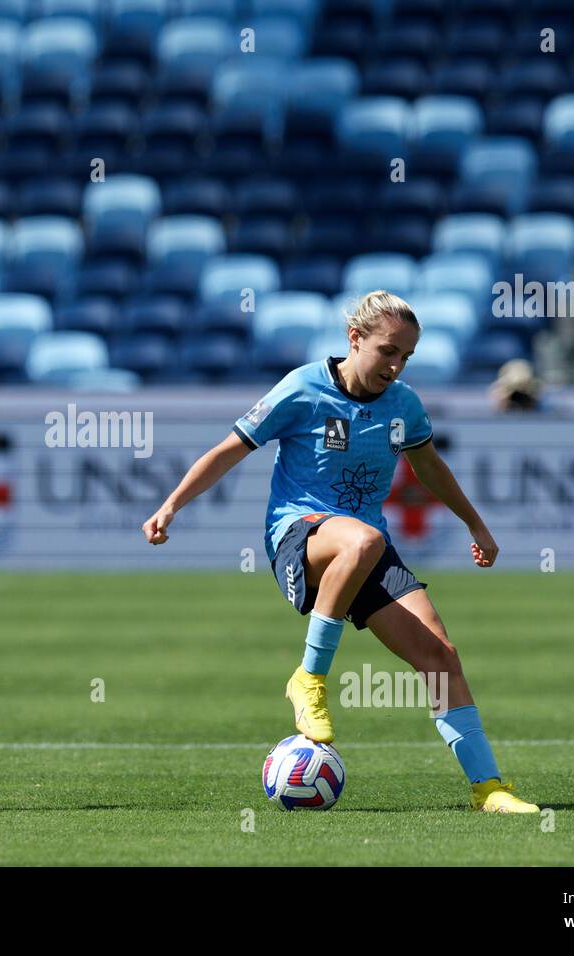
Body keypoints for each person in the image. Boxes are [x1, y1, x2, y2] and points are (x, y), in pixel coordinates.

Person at [142, 291, 539, 813]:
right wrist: (171, 506)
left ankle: (488, 789)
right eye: (387, 351)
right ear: (355, 339)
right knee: (364, 538)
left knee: (440, 657)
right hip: (299, 538)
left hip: (363, 551)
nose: (395, 365)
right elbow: (229, 450)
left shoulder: (403, 405)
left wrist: (476, 525)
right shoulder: (304, 388)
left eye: (406, 356)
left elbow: (430, 468)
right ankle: (308, 677)